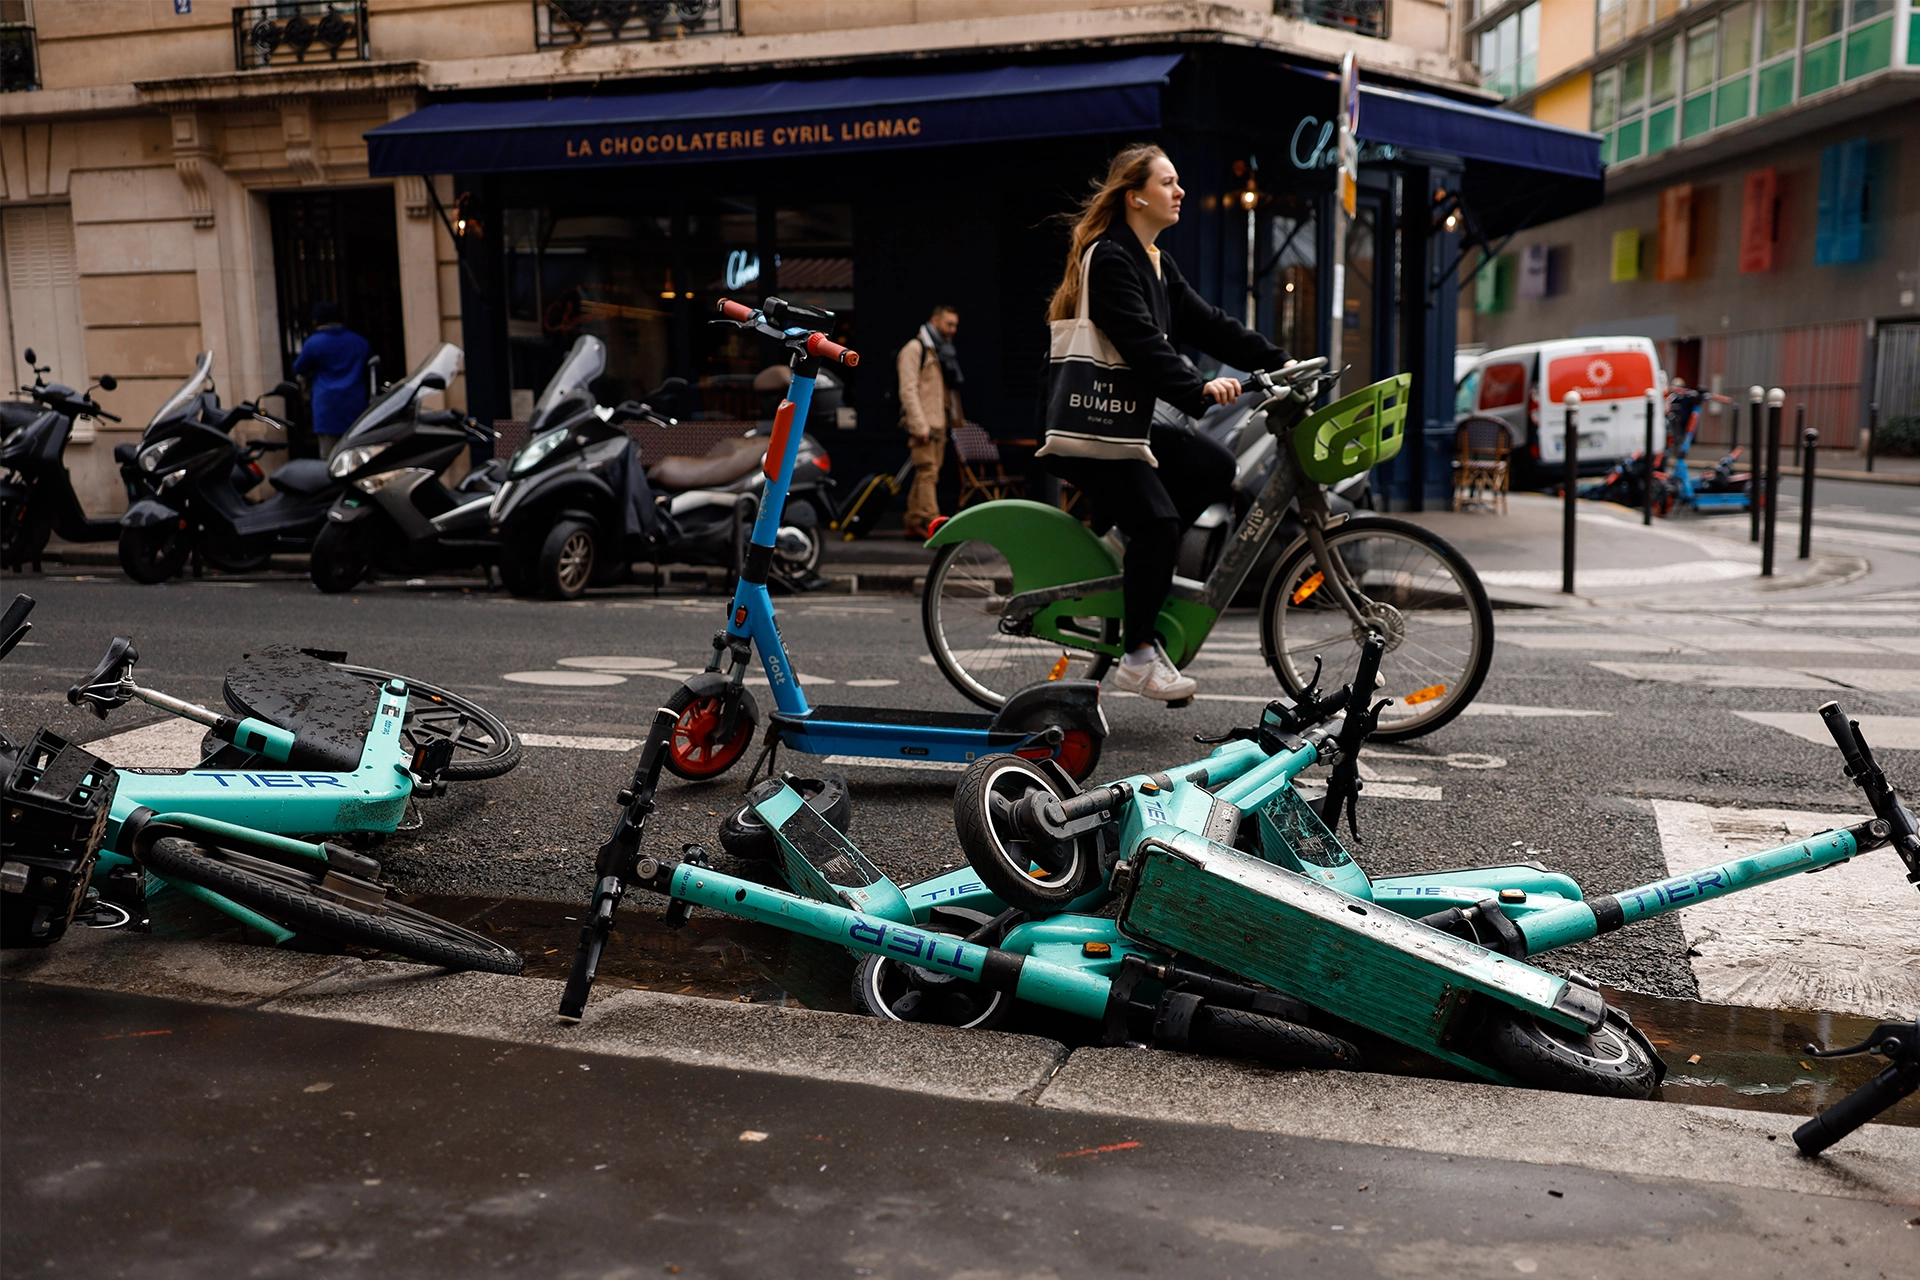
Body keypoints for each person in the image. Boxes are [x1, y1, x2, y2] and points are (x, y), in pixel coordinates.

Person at [1038, 144, 1290, 702]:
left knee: (1213, 466)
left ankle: (1136, 556)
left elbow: (1210, 324)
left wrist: (1279, 360)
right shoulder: (1109, 257)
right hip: (1093, 426)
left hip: (1130, 420)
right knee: (1158, 525)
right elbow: (1141, 342)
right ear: (1135, 196)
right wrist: (1195, 386)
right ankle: (1137, 657)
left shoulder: (1155, 259)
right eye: (1168, 182)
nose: (1179, 192)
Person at [896, 304, 964, 539]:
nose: (953, 329)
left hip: (938, 421)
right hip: (924, 422)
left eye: (956, 324)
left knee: (928, 472)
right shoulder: (916, 349)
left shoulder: (939, 350)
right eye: (949, 324)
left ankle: (913, 521)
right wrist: (918, 424)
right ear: (935, 322)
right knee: (927, 473)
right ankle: (933, 522)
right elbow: (908, 389)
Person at [293, 301, 372, 458]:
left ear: (317, 320)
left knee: (329, 457)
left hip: (327, 405)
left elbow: (300, 368)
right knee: (356, 453)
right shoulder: (359, 342)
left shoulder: (314, 342)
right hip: (356, 402)